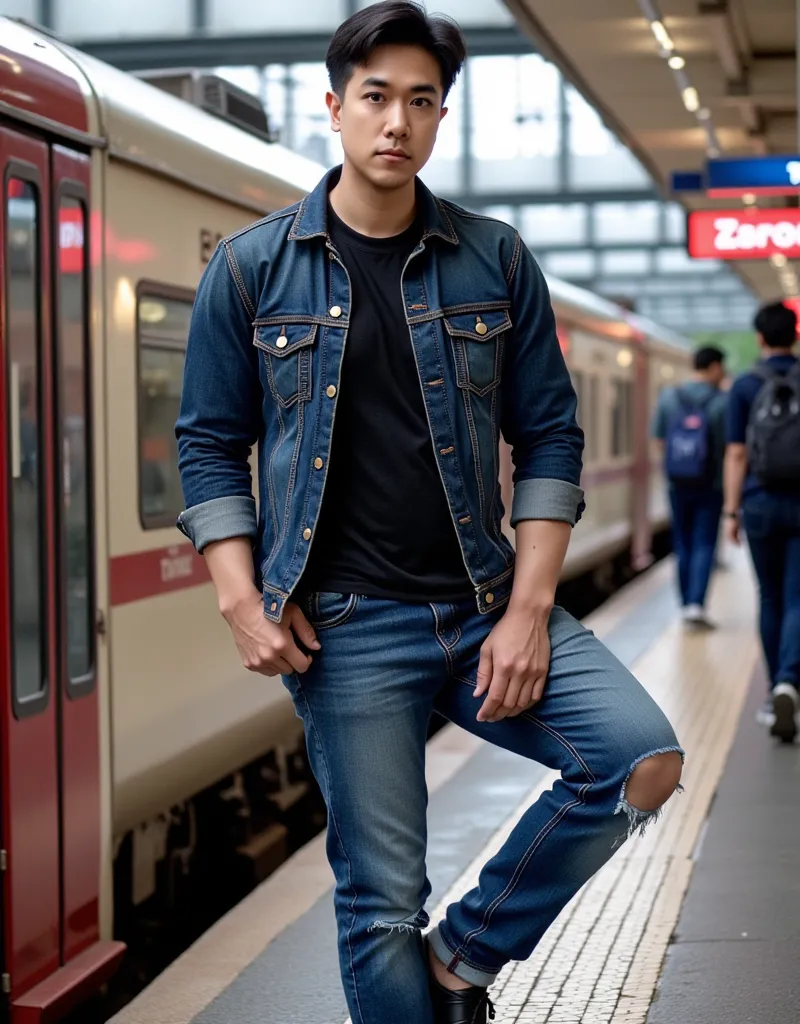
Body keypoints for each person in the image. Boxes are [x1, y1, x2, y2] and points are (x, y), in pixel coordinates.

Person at [175, 5, 683, 1022]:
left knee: (638, 758)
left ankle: (461, 958)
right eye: (374, 97)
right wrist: (239, 596)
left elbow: (548, 438)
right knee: (375, 908)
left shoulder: (491, 261)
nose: (395, 121)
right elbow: (205, 442)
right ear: (333, 107)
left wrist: (530, 610)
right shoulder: (249, 269)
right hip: (346, 627)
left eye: (419, 100)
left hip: (484, 602)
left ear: (440, 116)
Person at [724, 301, 800, 743]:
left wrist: (732, 511)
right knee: (796, 597)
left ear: (759, 337)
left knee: (770, 596)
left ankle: (775, 692)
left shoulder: (746, 385)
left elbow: (736, 453)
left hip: (759, 504)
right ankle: (792, 679)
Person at [651, 346, 728, 627]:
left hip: (676, 482)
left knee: (682, 543)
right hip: (711, 485)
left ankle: (684, 604)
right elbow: (730, 448)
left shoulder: (669, 397)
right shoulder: (721, 402)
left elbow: (659, 440)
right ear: (714, 367)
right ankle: (697, 604)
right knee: (705, 542)